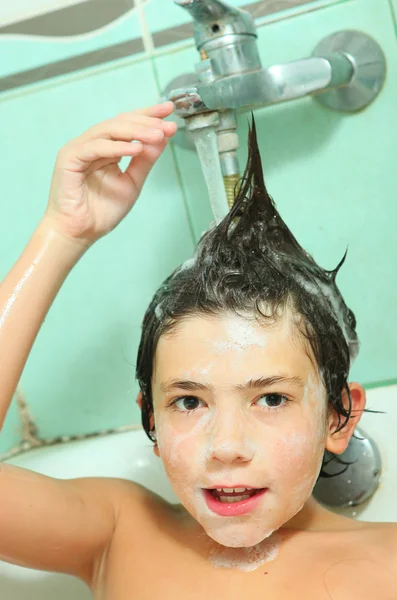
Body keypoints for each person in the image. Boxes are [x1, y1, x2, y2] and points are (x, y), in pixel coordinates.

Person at [0, 101, 395, 599]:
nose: (226, 447)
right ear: (152, 422)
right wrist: (62, 233)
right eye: (189, 401)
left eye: (271, 398)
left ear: (338, 415)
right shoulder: (119, 532)